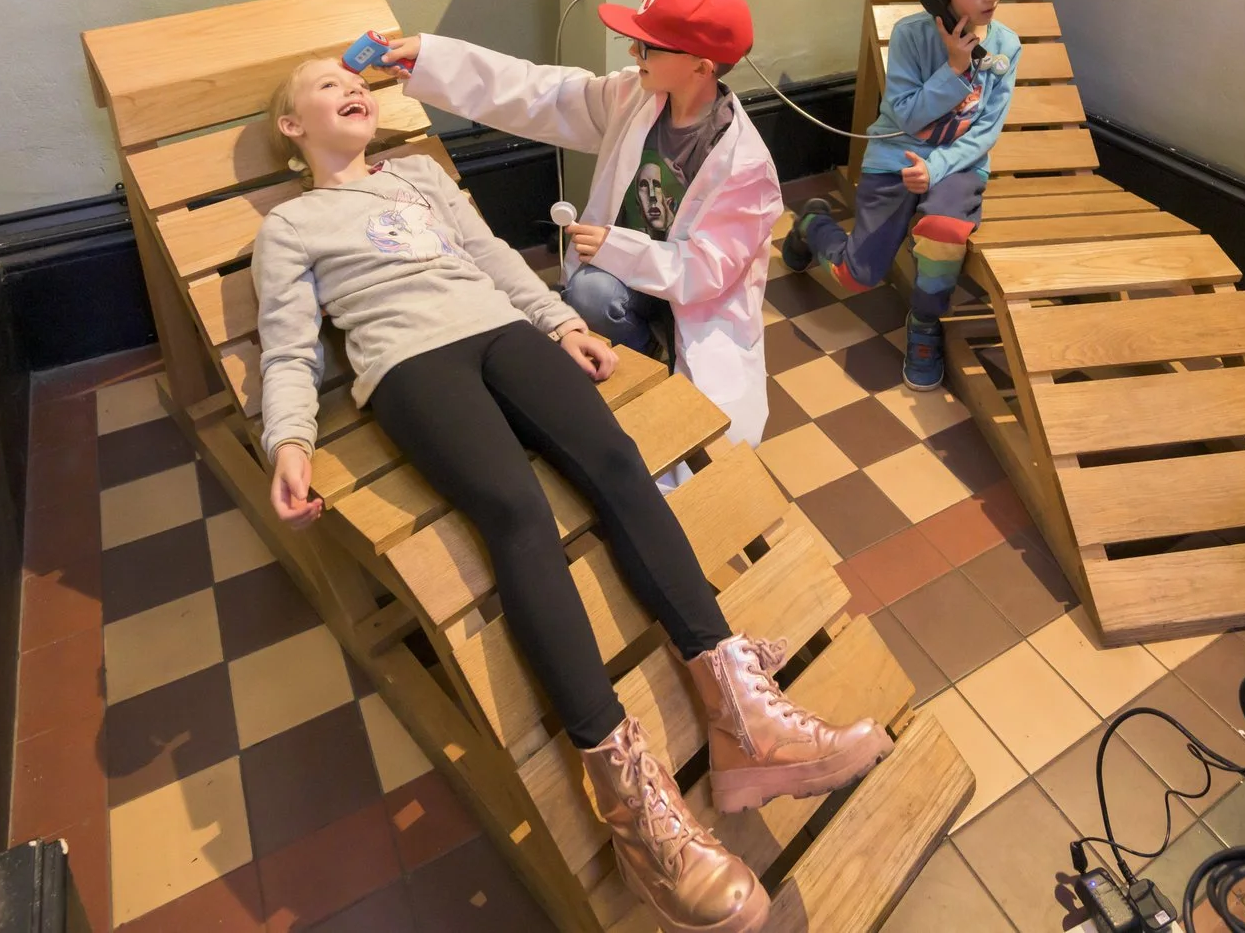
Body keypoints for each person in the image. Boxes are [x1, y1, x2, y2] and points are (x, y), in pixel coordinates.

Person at [251, 57, 883, 933]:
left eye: (351, 80)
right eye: (324, 86)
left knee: (617, 460)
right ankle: (629, 802)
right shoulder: (290, 224)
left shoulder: (421, 175)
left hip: (500, 330)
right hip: (409, 364)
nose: (348, 88)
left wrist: (561, 320)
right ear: (292, 128)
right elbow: (288, 345)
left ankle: (741, 715)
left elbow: (492, 258)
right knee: (517, 512)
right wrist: (289, 438)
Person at [371, 0, 783, 447]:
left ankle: (660, 375)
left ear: (701, 67)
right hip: (632, 277)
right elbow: (543, 93)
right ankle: (645, 362)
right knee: (591, 294)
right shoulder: (637, 97)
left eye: (648, 46)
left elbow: (707, 270)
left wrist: (616, 247)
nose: (633, 52)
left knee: (707, 436)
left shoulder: (745, 167)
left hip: (693, 297)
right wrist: (431, 59)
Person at [778, 0, 1018, 389]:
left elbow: (986, 130)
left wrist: (937, 167)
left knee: (943, 231)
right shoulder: (911, 36)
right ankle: (812, 225)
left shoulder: (1005, 46)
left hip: (957, 165)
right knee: (857, 275)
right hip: (895, 159)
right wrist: (955, 67)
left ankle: (925, 323)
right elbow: (907, 116)